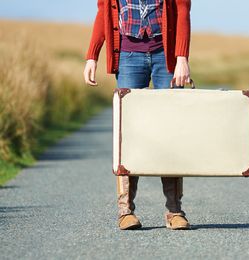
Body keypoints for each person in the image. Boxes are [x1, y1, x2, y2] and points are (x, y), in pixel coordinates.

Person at [83, 0, 192, 230]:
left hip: (166, 56)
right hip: (128, 56)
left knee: (170, 133)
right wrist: (92, 55)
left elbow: (182, 9)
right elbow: (104, 11)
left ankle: (174, 211)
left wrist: (182, 56)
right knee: (128, 133)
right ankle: (126, 211)